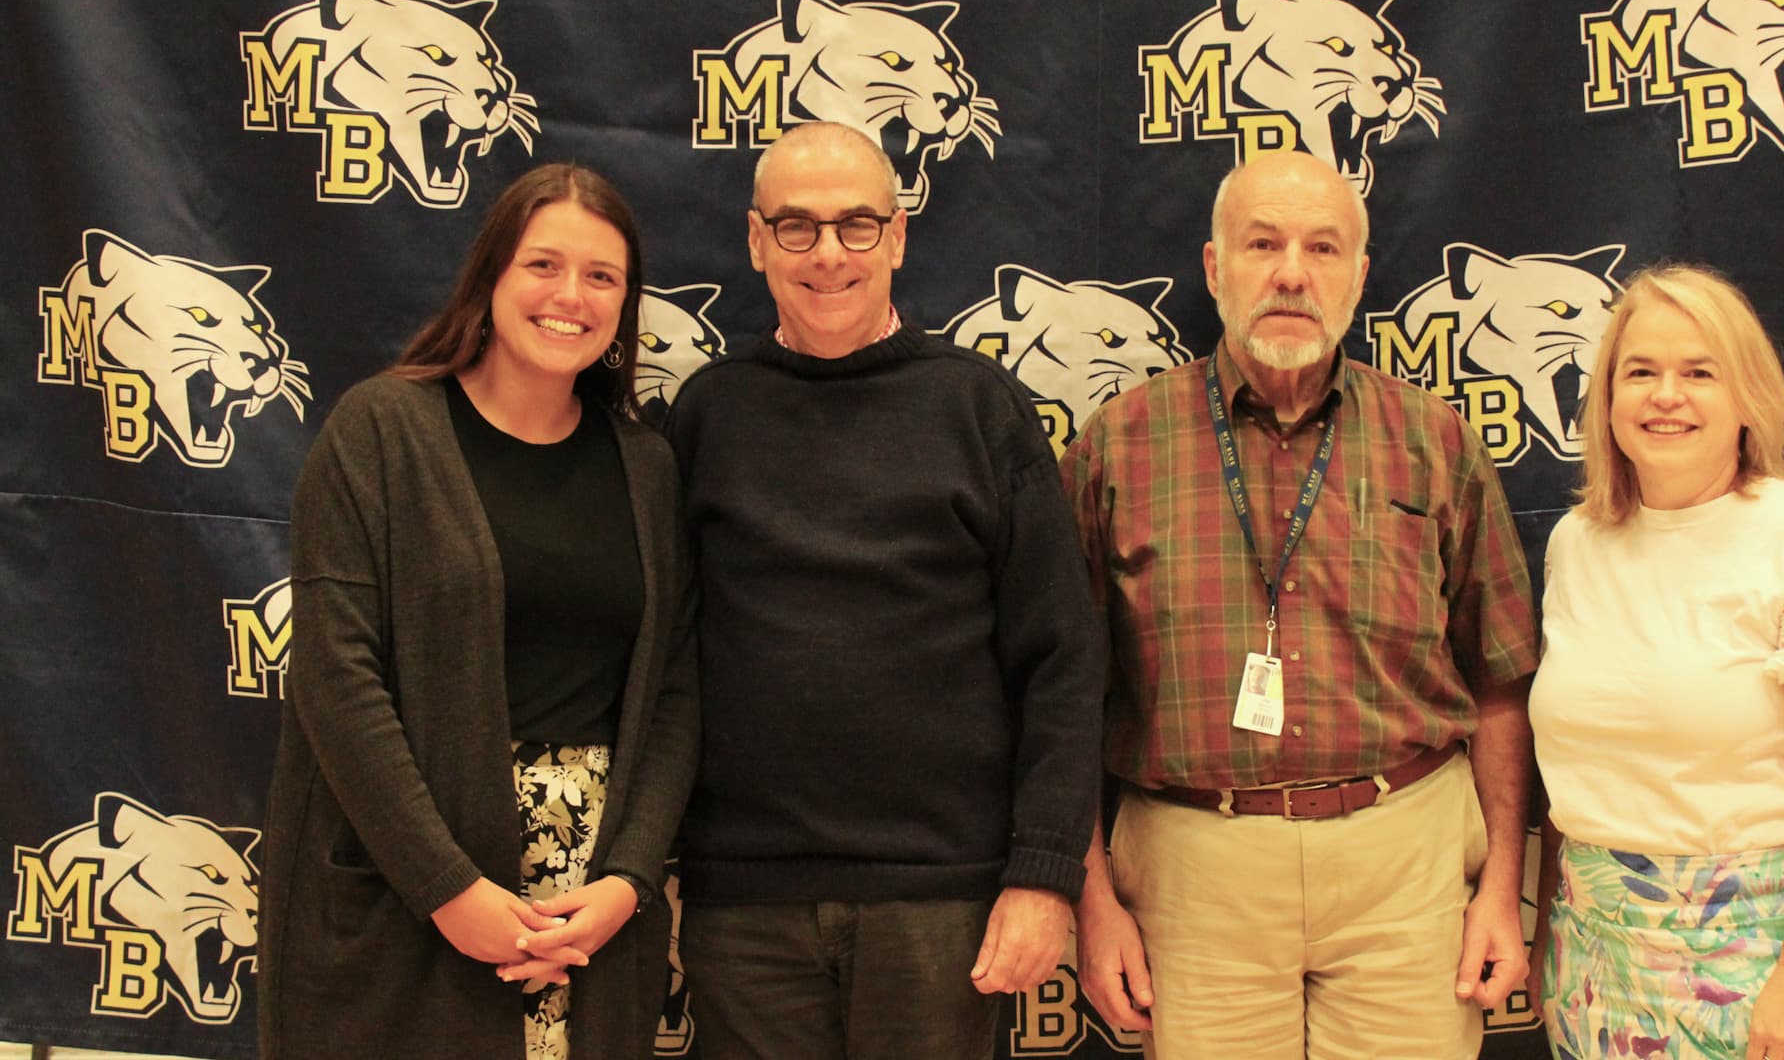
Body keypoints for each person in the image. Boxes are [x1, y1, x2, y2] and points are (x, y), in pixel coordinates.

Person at [1060, 150, 1540, 1059]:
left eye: (1322, 249)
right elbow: (1060, 698)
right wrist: (1092, 901)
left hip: (1407, 859)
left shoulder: (1431, 439)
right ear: (1213, 267)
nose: (1290, 273)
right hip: (1196, 864)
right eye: (1262, 243)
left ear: (1359, 278)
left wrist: (1503, 884)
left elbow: (1502, 681)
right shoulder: (1117, 446)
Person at [661, 121, 1104, 1060]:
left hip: (942, 900)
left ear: (897, 237)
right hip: (744, 906)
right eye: (797, 227)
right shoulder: (707, 413)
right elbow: (663, 657)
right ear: (755, 240)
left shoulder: (978, 407)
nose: (829, 253)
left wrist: (1044, 874)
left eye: (857, 225)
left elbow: (1062, 659)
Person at [258, 164, 699, 1060]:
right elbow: (337, 680)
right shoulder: (380, 431)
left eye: (602, 276)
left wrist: (626, 880)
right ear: (491, 276)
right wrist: (448, 888)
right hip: (411, 891)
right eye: (543, 265)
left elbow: (677, 695)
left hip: (589, 920)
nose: (570, 296)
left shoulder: (648, 469)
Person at [1528, 265, 1784, 1060]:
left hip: (1766, 965)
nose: (1665, 395)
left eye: (1698, 373)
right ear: (1607, 398)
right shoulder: (1576, 543)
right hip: (1600, 966)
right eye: (1640, 372)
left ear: (1747, 398)